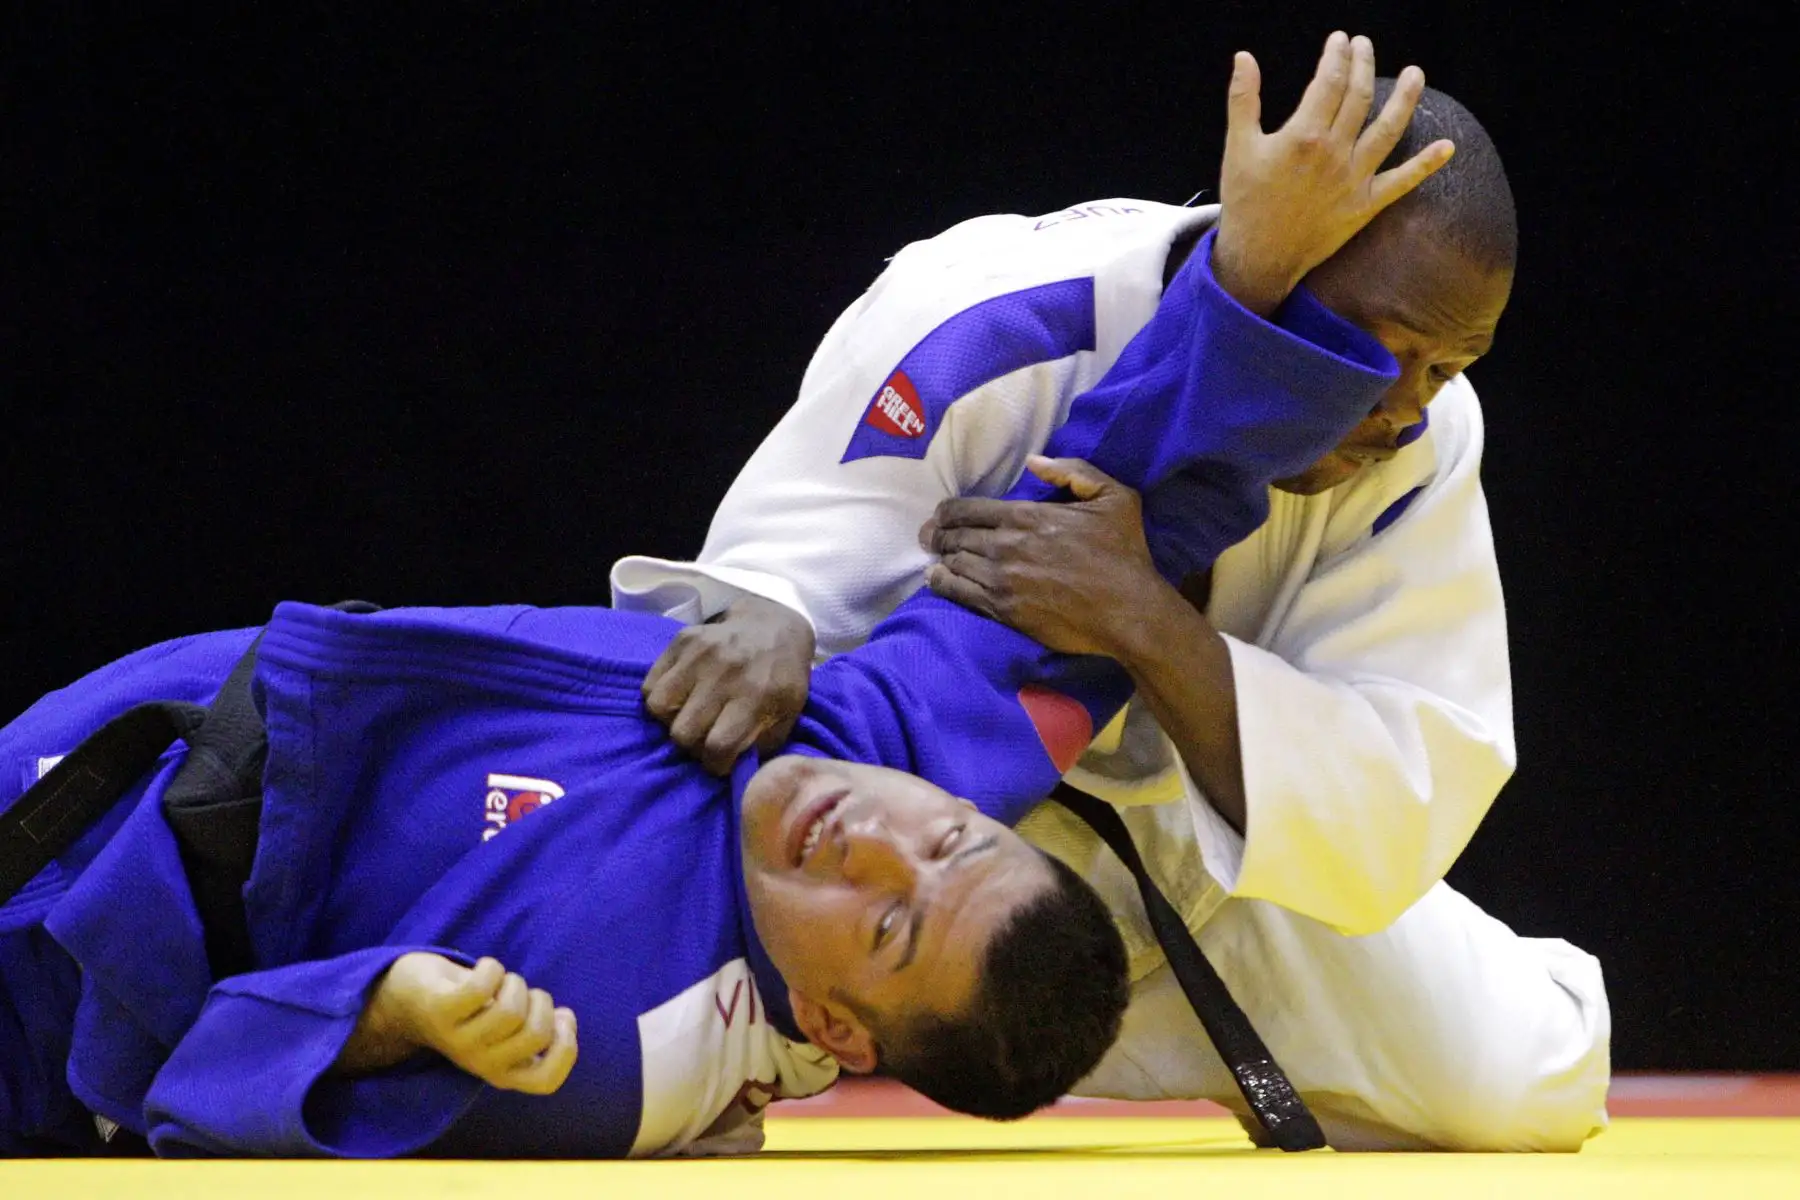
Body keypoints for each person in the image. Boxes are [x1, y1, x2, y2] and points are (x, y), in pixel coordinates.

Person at [0, 154, 1396, 1158]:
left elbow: (186, 1083)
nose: (882, 843)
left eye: (895, 923)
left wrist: (388, 1011)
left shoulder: (604, 1049)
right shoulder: (866, 758)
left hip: (51, 932)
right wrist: (1263, 282)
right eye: (955, 846)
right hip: (144, 727)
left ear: (839, 1030)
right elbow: (1095, 527)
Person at [611, 34, 1612, 1150]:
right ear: (1281, 251)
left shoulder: (1426, 440)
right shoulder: (990, 308)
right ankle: (757, 1036)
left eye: (1449, 367)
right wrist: (766, 605)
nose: (1406, 412)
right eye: (1386, 350)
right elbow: (776, 585)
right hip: (912, 867)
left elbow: (1397, 793)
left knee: (1528, 1080)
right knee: (634, 1049)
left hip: (1192, 871)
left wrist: (1138, 621)